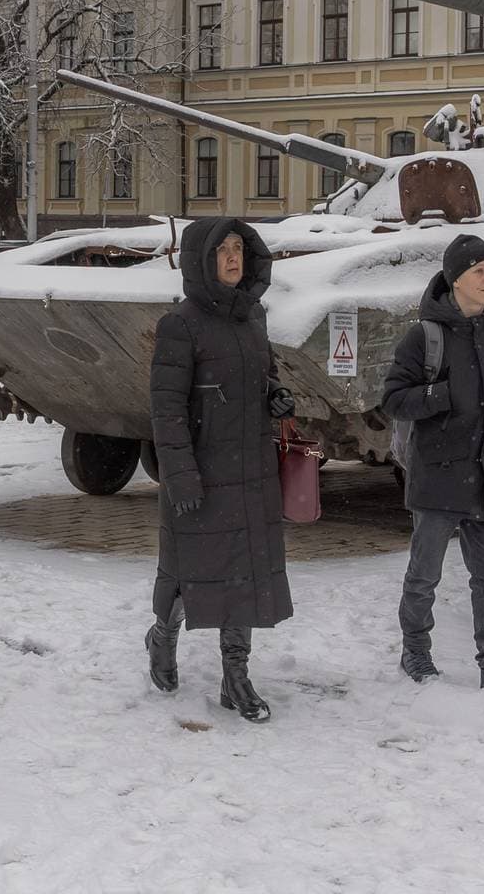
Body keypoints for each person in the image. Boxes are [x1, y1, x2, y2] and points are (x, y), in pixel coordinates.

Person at [146, 217, 296, 722]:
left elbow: (266, 373)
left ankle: (236, 676)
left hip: (252, 470)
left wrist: (275, 395)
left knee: (246, 575)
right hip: (202, 474)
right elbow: (165, 410)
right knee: (190, 575)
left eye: (239, 248)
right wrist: (180, 475)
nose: (233, 258)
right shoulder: (180, 325)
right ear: (200, 260)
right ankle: (162, 637)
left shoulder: (253, 317)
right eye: (222, 250)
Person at [381, 233, 484, 701]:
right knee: (424, 574)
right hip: (439, 475)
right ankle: (415, 648)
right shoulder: (425, 336)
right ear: (456, 280)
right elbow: (393, 398)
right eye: (480, 272)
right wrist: (443, 395)